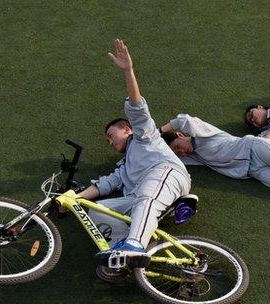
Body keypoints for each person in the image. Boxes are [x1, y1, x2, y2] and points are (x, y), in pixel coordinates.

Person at [75, 39, 191, 269]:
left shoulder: (144, 136)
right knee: (97, 212)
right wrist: (74, 200)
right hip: (137, 196)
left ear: (127, 129)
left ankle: (135, 243)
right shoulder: (124, 165)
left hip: (166, 175)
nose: (109, 141)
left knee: (147, 194)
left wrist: (128, 71)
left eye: (111, 134)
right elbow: (105, 185)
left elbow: (138, 109)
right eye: (107, 140)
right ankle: (124, 257)